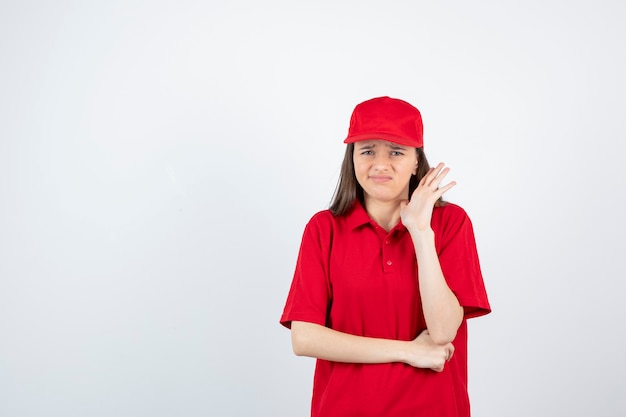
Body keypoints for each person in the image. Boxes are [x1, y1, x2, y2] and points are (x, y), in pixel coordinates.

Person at [280, 96, 491, 417]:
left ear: (416, 161)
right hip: (344, 409)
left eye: (396, 151)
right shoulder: (324, 229)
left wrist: (421, 232)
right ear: (351, 158)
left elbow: (444, 331)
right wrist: (409, 352)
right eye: (367, 151)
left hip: (433, 408)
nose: (380, 164)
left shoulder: (451, 223)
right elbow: (305, 338)